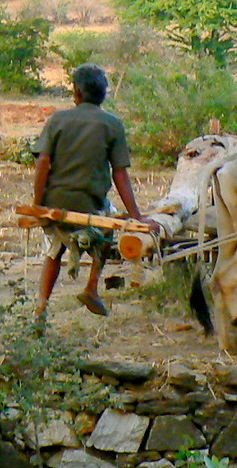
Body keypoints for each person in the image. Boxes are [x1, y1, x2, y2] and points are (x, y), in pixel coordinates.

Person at [31, 63, 157, 318]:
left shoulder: (58, 119)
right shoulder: (112, 123)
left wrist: (38, 202)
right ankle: (91, 287)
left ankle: (42, 306)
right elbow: (119, 172)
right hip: (92, 202)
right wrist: (136, 215)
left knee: (54, 250)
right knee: (108, 227)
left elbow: (43, 161)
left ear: (76, 92)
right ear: (104, 93)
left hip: (56, 199)